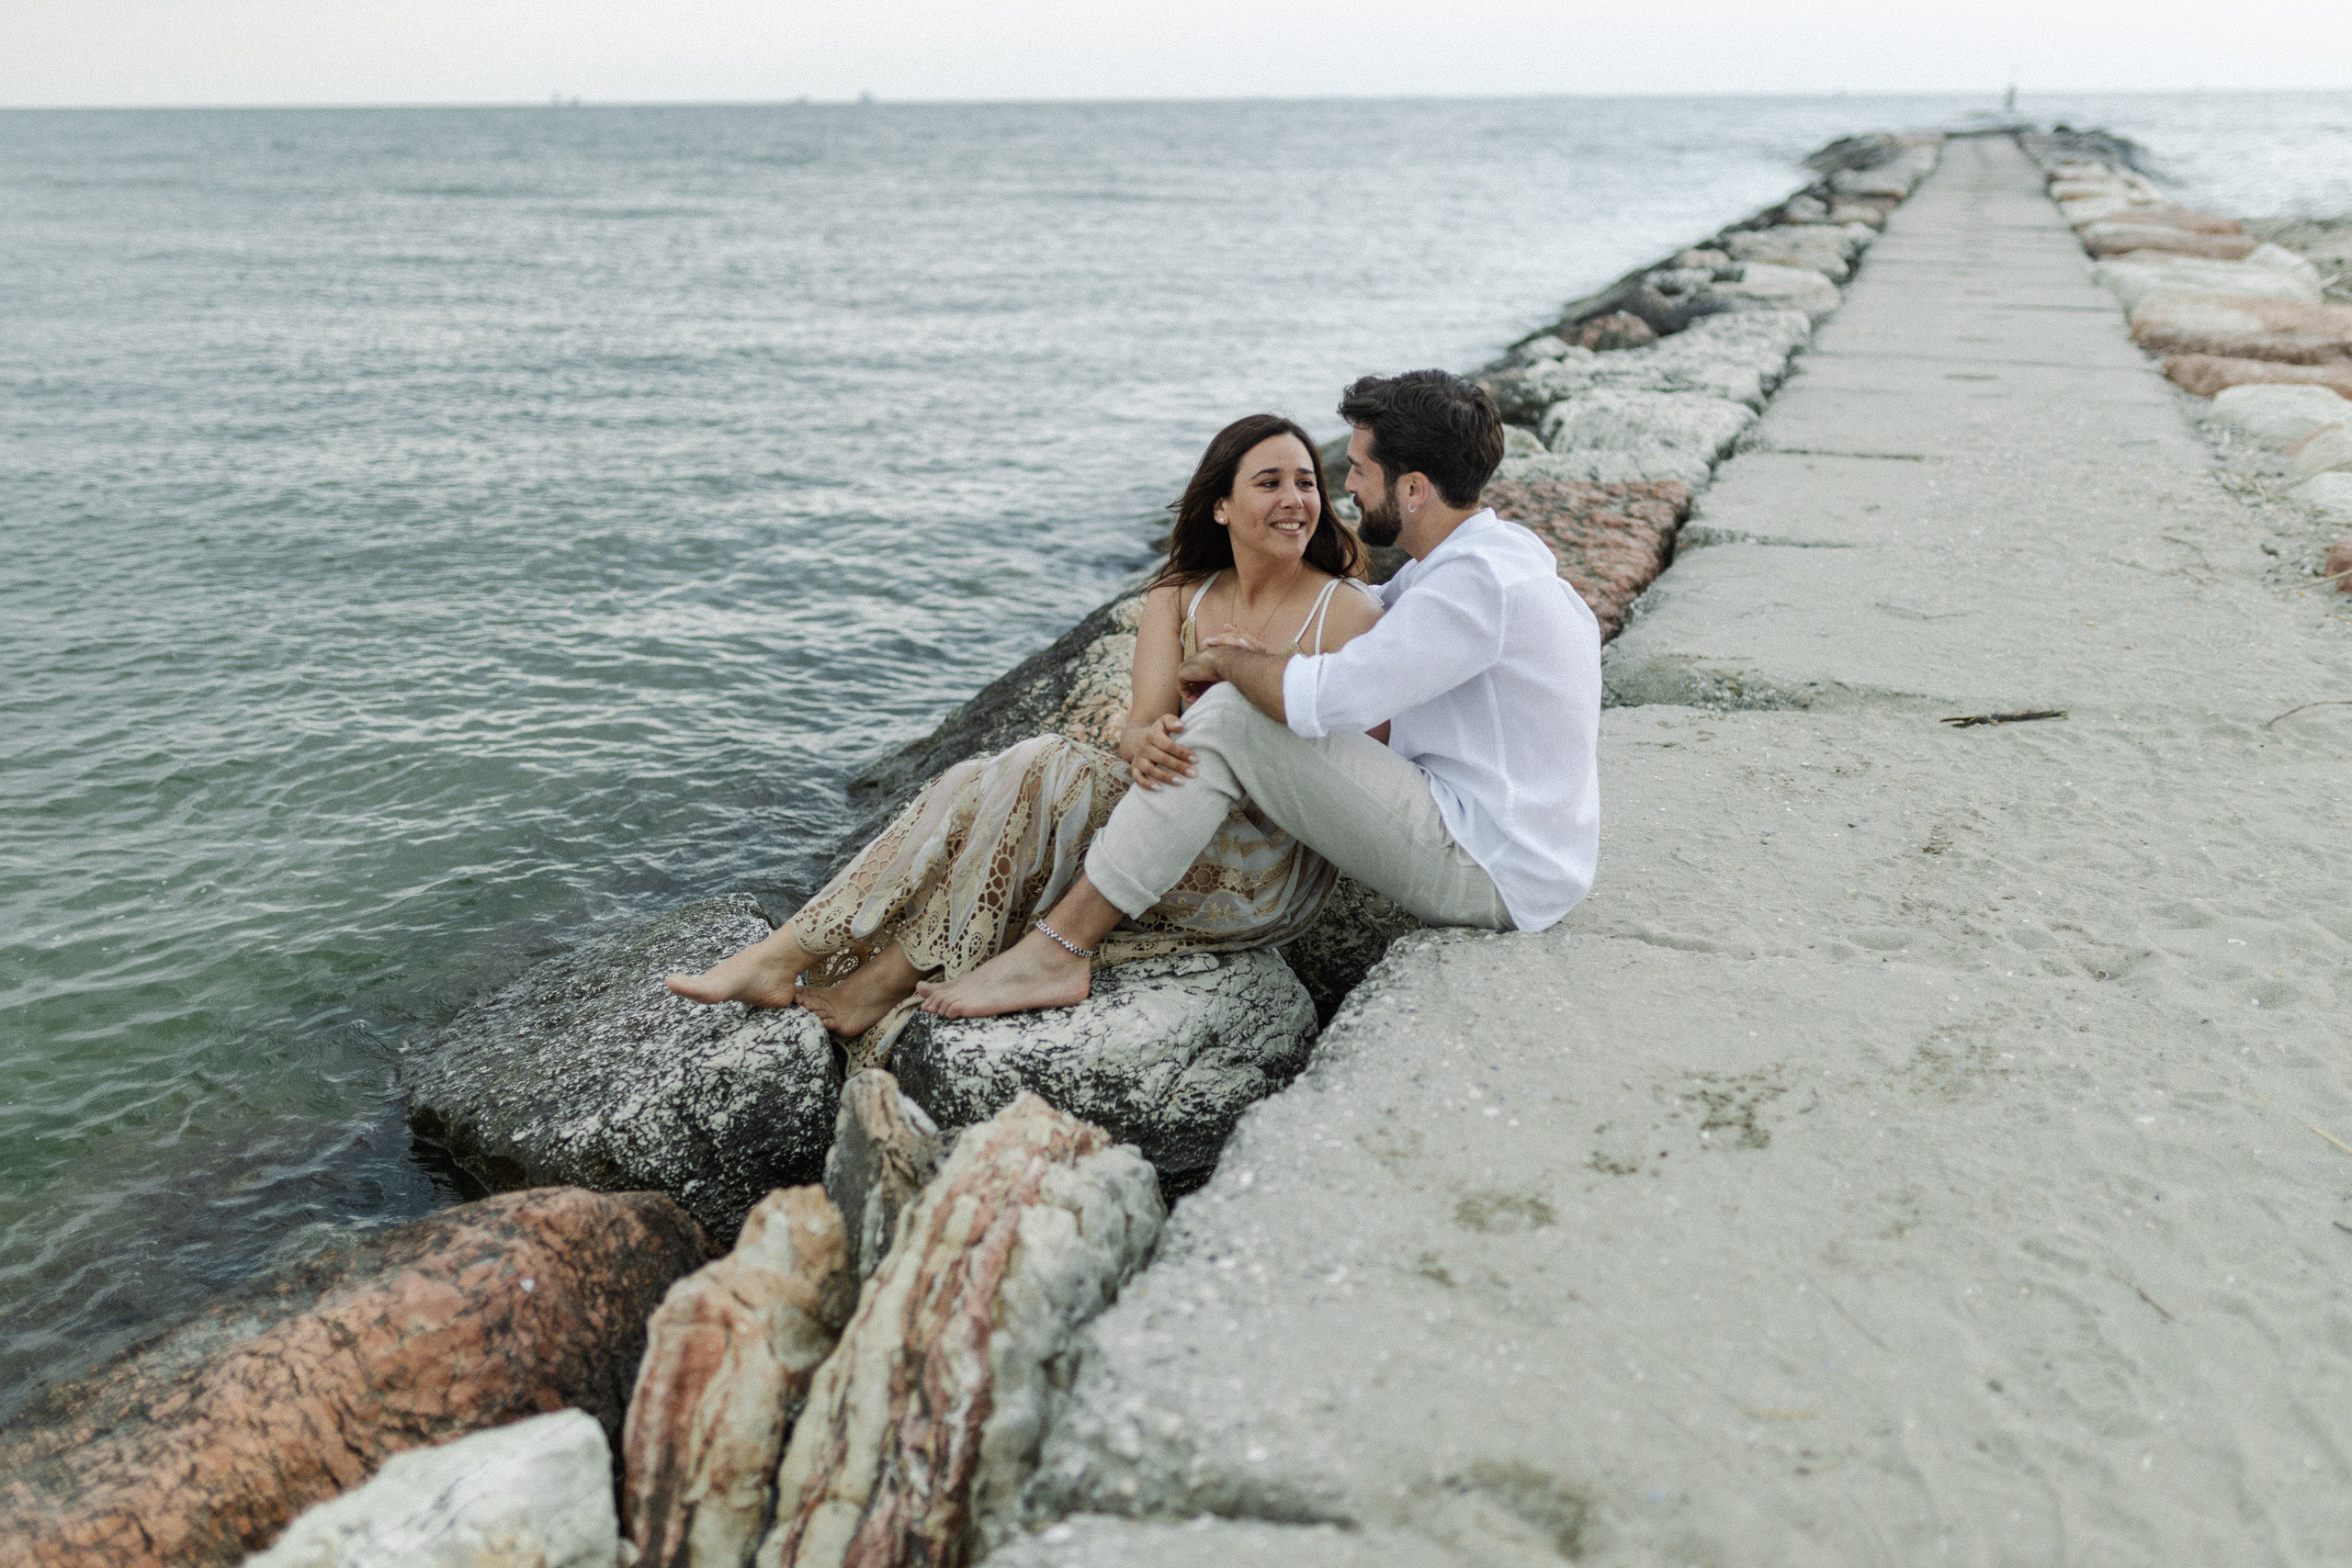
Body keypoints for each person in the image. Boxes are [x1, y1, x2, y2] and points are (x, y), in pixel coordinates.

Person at [665, 412, 1385, 1061]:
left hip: (1263, 866)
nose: (1296, 500)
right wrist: (1151, 741)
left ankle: (854, 973)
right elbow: (1138, 729)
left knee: (1045, 765)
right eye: (1270, 482)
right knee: (975, 780)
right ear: (1221, 504)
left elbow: (1363, 774)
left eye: (1306, 482)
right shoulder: (1178, 597)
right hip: (1165, 816)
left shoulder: (1345, 612)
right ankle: (805, 957)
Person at [915, 368, 1600, 1021]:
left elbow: (1329, 698)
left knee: (1236, 711)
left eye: (1359, 469)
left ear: (1413, 488)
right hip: (1503, 841)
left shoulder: (1476, 582)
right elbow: (1357, 621)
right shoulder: (1470, 564)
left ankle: (1058, 950)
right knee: (1236, 704)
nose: (1347, 488)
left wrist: (1227, 659)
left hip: (1490, 865)